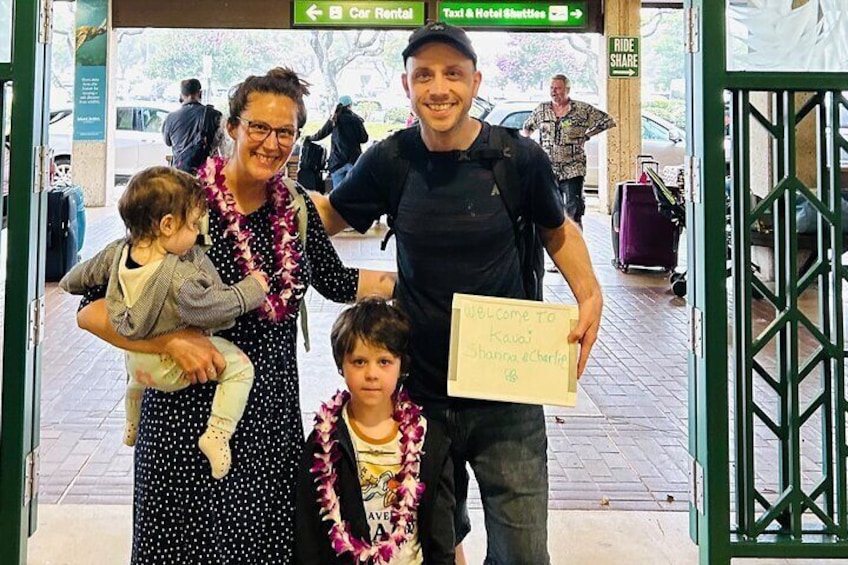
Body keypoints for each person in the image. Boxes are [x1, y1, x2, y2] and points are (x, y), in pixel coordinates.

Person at [74, 67, 396, 563]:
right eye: (259, 127)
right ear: (232, 127)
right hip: (182, 418)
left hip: (268, 418)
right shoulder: (181, 203)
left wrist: (418, 285)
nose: (272, 143)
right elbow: (91, 308)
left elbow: (336, 281)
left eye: (285, 131)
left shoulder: (295, 206)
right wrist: (168, 341)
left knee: (261, 549)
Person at [310, 22, 603, 565]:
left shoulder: (517, 158)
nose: (438, 87)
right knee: (432, 547)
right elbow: (329, 214)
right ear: (407, 86)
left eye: (452, 74)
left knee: (522, 551)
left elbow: (556, 228)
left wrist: (591, 296)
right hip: (422, 394)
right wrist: (253, 202)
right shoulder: (391, 160)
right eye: (424, 75)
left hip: (507, 393)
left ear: (476, 82)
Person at [59, 166, 269, 480]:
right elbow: (215, 309)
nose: (198, 233)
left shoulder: (117, 253)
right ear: (168, 225)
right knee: (241, 369)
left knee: (136, 377)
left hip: (138, 364)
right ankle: (217, 434)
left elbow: (82, 276)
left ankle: (132, 422)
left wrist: (68, 284)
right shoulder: (179, 279)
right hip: (170, 370)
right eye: (195, 224)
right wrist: (253, 288)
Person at [295, 297, 455, 564]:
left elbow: (441, 529)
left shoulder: (429, 440)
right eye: (359, 361)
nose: (371, 373)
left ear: (401, 365)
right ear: (340, 365)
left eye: (384, 361)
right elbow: (309, 531)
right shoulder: (324, 443)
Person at [522, 74, 616, 228]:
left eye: (558, 88)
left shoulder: (582, 110)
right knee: (549, 210)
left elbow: (608, 121)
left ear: (567, 89)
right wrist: (529, 147)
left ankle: (575, 247)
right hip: (548, 168)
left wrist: (587, 135)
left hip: (573, 168)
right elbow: (527, 128)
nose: (554, 92)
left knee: (574, 210)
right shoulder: (542, 110)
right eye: (551, 88)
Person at [305, 95, 368, 189]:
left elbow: (321, 134)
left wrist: (310, 138)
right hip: (353, 162)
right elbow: (364, 139)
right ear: (350, 106)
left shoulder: (334, 119)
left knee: (338, 196)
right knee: (355, 194)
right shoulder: (356, 120)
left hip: (337, 162)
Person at [163, 78, 223, 173]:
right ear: (200, 93)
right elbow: (222, 143)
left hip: (180, 173)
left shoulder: (170, 118)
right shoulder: (214, 115)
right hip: (207, 174)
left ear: (181, 95)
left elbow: (168, 142)